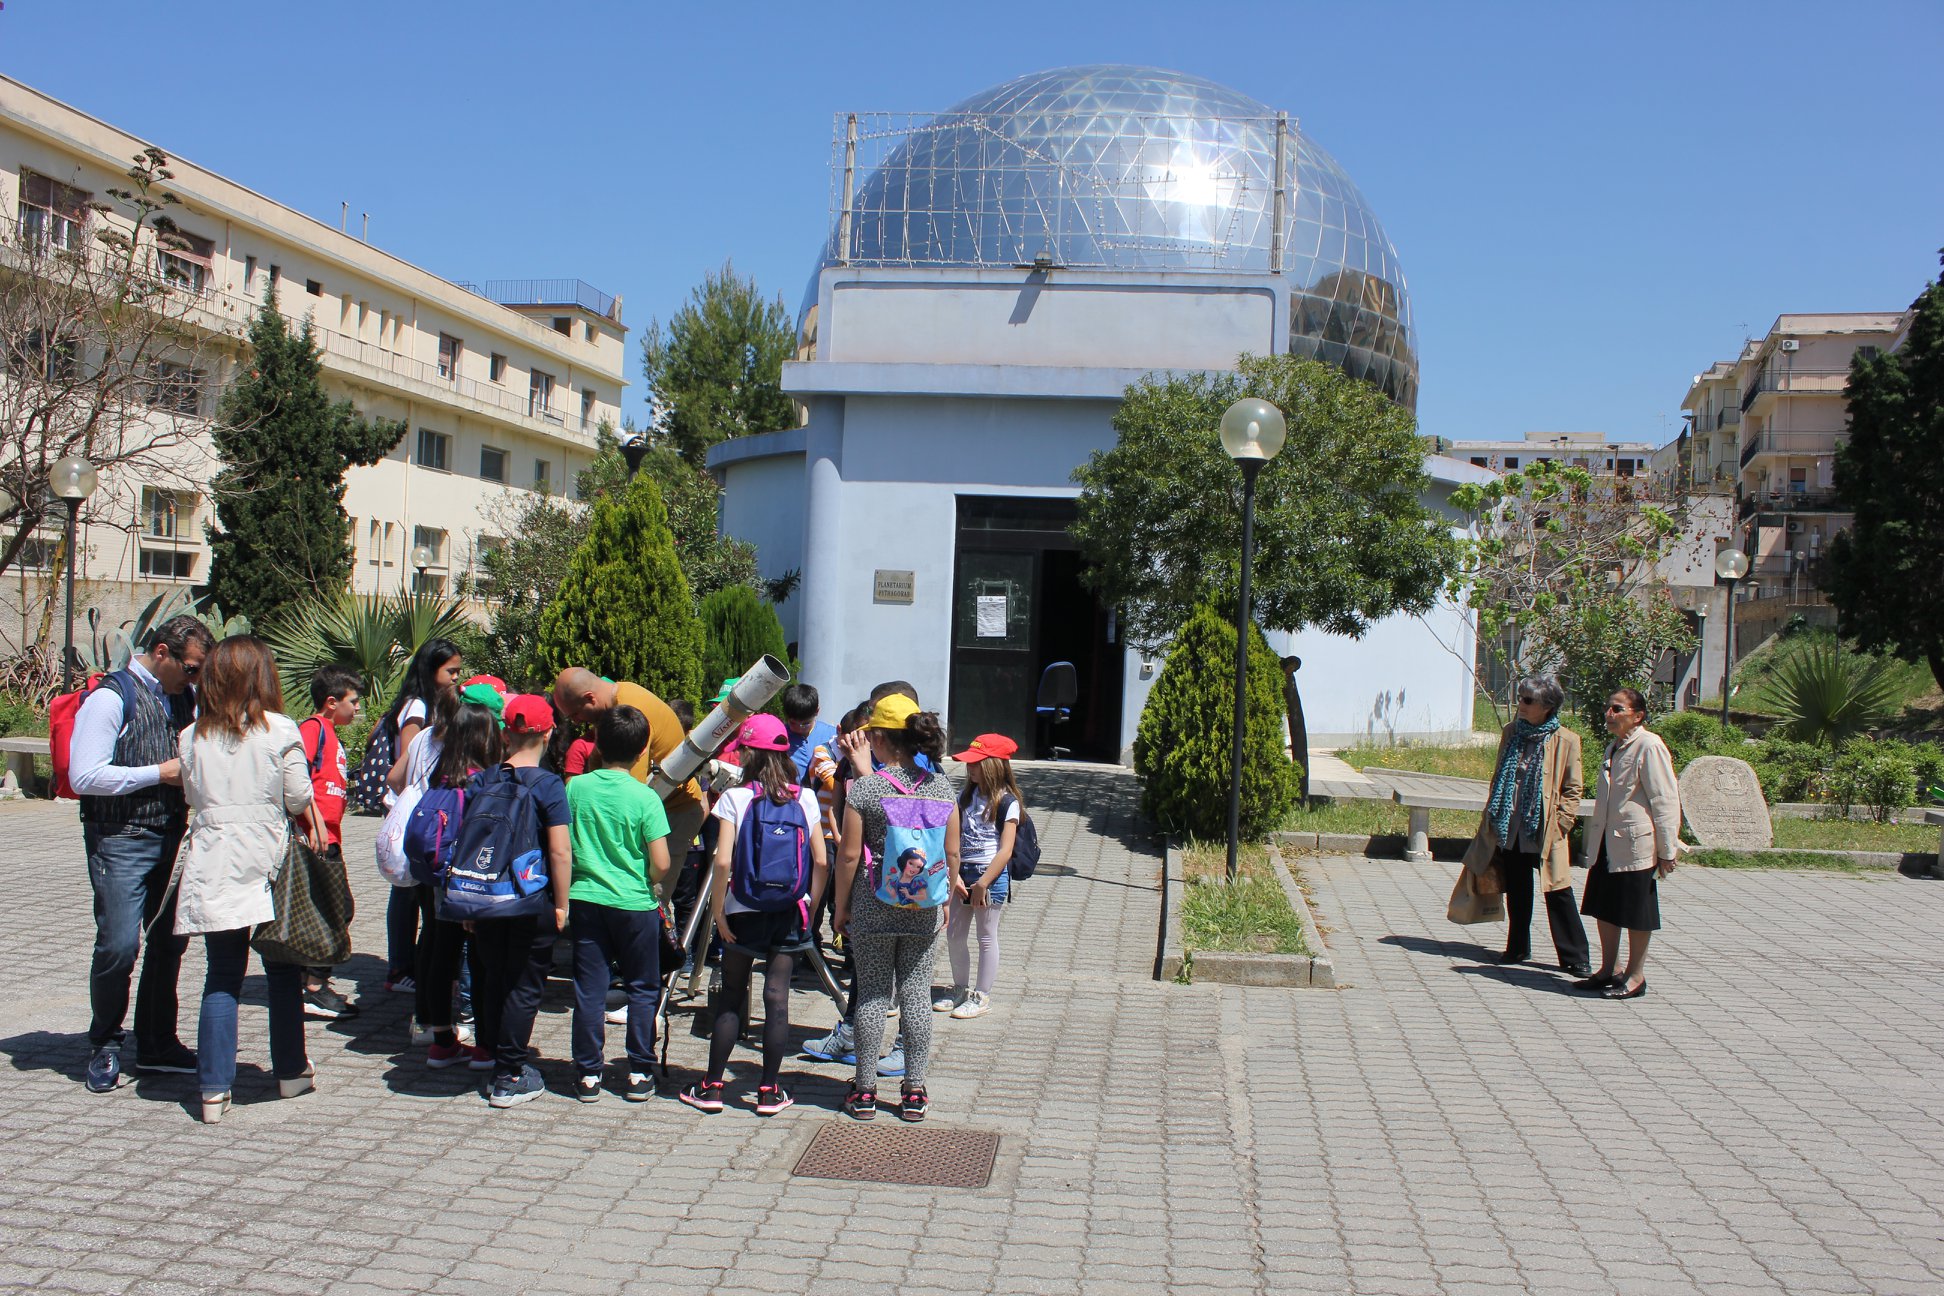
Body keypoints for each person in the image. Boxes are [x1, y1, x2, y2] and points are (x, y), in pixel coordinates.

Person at [170, 636, 325, 1124]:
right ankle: (291, 1070)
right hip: (268, 856)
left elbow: (193, 795)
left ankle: (213, 1090)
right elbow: (299, 797)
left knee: (221, 974)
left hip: (214, 855)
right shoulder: (280, 729)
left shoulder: (192, 735)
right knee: (280, 968)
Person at [70, 613, 213, 1092]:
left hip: (172, 833)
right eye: (191, 668)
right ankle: (106, 1041)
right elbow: (84, 776)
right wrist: (159, 773)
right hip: (120, 837)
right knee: (118, 944)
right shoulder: (113, 696)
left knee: (170, 941)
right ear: (161, 653)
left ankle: (156, 1043)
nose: (195, 679)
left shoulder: (182, 698)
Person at [680, 714, 827, 1116]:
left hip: (741, 910)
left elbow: (723, 861)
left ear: (748, 753)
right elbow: (820, 859)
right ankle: (768, 1091)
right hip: (788, 910)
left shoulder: (735, 798)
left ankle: (711, 1088)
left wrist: (719, 914)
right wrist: (810, 912)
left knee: (731, 996)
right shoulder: (805, 797)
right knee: (776, 999)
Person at [832, 693, 956, 1122]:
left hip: (872, 903)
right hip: (923, 907)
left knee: (871, 994)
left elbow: (848, 856)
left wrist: (839, 908)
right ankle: (914, 1092)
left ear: (881, 738)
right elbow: (953, 854)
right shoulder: (942, 788)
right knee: (917, 994)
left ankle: (864, 1092)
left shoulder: (865, 789)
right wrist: (942, 898)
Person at [469, 695, 574, 1109]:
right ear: (548, 733)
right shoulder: (549, 784)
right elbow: (561, 851)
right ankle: (510, 1075)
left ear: (505, 734)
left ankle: (494, 1054)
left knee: (493, 977)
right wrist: (562, 904)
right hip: (532, 899)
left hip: (486, 897)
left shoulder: (483, 779)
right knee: (524, 986)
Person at [566, 704, 673, 1102]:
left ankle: (588, 1073)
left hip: (586, 900)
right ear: (643, 748)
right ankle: (639, 1071)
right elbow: (661, 862)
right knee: (643, 988)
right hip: (634, 903)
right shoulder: (645, 797)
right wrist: (649, 879)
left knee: (589, 989)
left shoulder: (575, 788)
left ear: (595, 742)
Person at [1461, 676, 1590, 978]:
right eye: (1520, 697)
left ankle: (1575, 958)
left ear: (1547, 707)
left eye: (1528, 700)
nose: (1521, 704)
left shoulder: (1566, 740)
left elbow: (1573, 788)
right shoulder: (1511, 732)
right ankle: (1518, 946)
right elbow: (1499, 775)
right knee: (1518, 887)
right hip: (1511, 824)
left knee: (1558, 891)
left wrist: (1563, 822)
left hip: (1544, 827)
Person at [399, 693, 502, 1066]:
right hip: (472, 881)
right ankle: (487, 1044)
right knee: (479, 958)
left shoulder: (442, 777)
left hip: (437, 877)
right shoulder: (483, 783)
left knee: (440, 952)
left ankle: (441, 1039)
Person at [1577, 688, 1681, 1000]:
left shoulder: (1650, 746)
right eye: (1608, 708)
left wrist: (1667, 849)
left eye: (1617, 709)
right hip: (1609, 842)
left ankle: (1636, 977)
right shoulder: (1615, 746)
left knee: (1637, 912)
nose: (1610, 714)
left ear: (1638, 716)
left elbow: (1665, 799)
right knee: (1604, 907)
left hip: (1638, 845)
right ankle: (1610, 969)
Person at [552, 667, 706, 872]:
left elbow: (629, 793)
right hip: (654, 806)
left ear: (590, 698)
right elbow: (597, 763)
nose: (576, 722)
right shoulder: (611, 707)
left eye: (575, 714)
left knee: (655, 892)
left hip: (676, 810)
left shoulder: (631, 710)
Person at [377, 638, 464, 995]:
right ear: (432, 671)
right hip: (419, 814)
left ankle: (409, 964)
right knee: (407, 892)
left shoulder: (429, 704)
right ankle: (401, 966)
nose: (458, 677)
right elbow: (408, 764)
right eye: (451, 671)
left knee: (414, 892)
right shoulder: (417, 709)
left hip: (423, 814)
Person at [937, 733, 1022, 1019]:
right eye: (968, 763)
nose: (969, 768)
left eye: (975, 763)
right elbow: (953, 839)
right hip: (963, 873)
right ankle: (960, 988)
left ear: (993, 765)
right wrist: (955, 875)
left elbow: (1006, 850)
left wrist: (983, 883)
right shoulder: (965, 796)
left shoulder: (1007, 802)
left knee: (986, 936)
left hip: (990, 878)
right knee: (954, 934)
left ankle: (982, 995)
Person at [298, 664, 363, 1020]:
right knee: (338, 910)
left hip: (330, 835)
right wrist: (312, 824)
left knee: (334, 909)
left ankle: (310, 979)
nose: (357, 709)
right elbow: (298, 778)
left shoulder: (330, 730)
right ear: (330, 702)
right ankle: (313, 986)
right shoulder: (312, 729)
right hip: (318, 837)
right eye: (353, 702)